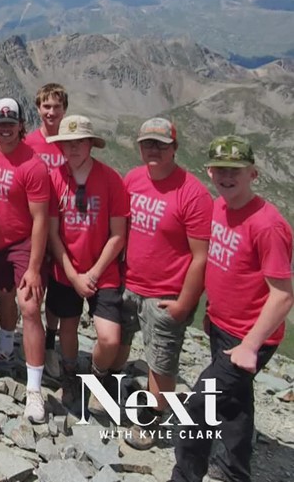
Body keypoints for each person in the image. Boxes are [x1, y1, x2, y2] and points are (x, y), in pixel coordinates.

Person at [171, 136, 293, 482]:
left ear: (252, 173)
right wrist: (211, 314)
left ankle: (185, 476)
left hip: (249, 338)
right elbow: (226, 269)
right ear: (210, 171)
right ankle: (234, 471)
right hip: (224, 327)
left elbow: (283, 295)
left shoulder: (268, 225)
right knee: (235, 404)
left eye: (235, 170)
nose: (226, 177)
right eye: (220, 169)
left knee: (197, 405)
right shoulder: (220, 207)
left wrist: (250, 346)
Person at [118, 118, 213, 450]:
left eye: (161, 144)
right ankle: (118, 389)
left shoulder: (193, 193)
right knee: (122, 340)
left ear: (175, 147)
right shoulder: (132, 179)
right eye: (147, 143)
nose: (153, 150)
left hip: (165, 294)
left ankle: (151, 419)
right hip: (128, 283)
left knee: (161, 362)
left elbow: (201, 257)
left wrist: (184, 304)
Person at [43, 115, 129, 412]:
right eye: (67, 143)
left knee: (109, 338)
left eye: (79, 142)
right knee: (67, 326)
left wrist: (91, 273)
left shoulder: (111, 179)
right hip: (66, 269)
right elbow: (52, 232)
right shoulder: (55, 178)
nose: (73, 148)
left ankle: (97, 377)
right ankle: (69, 376)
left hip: (103, 272)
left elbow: (118, 235)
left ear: (91, 144)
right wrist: (72, 273)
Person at [0, 97, 50, 423]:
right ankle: (6, 344)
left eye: (11, 124)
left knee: (30, 306)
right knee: (4, 295)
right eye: (0, 123)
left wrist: (34, 268)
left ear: (21, 125)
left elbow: (41, 220)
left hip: (22, 242)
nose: (5, 129)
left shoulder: (32, 165)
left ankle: (34, 390)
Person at [25, 83, 69, 376]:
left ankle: (50, 344)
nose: (51, 112)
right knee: (35, 286)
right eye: (46, 107)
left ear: (64, 109)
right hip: (36, 225)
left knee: (57, 287)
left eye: (56, 107)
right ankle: (33, 344)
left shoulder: (72, 141)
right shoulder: (29, 143)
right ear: (38, 109)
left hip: (66, 225)